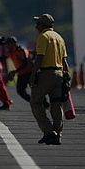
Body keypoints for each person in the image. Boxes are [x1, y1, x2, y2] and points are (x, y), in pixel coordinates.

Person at [29, 13, 70, 145]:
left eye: (38, 23)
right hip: (59, 74)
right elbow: (64, 61)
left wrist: (33, 74)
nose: (36, 26)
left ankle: (48, 132)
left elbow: (39, 58)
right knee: (56, 105)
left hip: (46, 74)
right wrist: (67, 76)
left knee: (35, 103)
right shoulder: (59, 38)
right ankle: (57, 134)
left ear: (42, 25)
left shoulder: (43, 37)